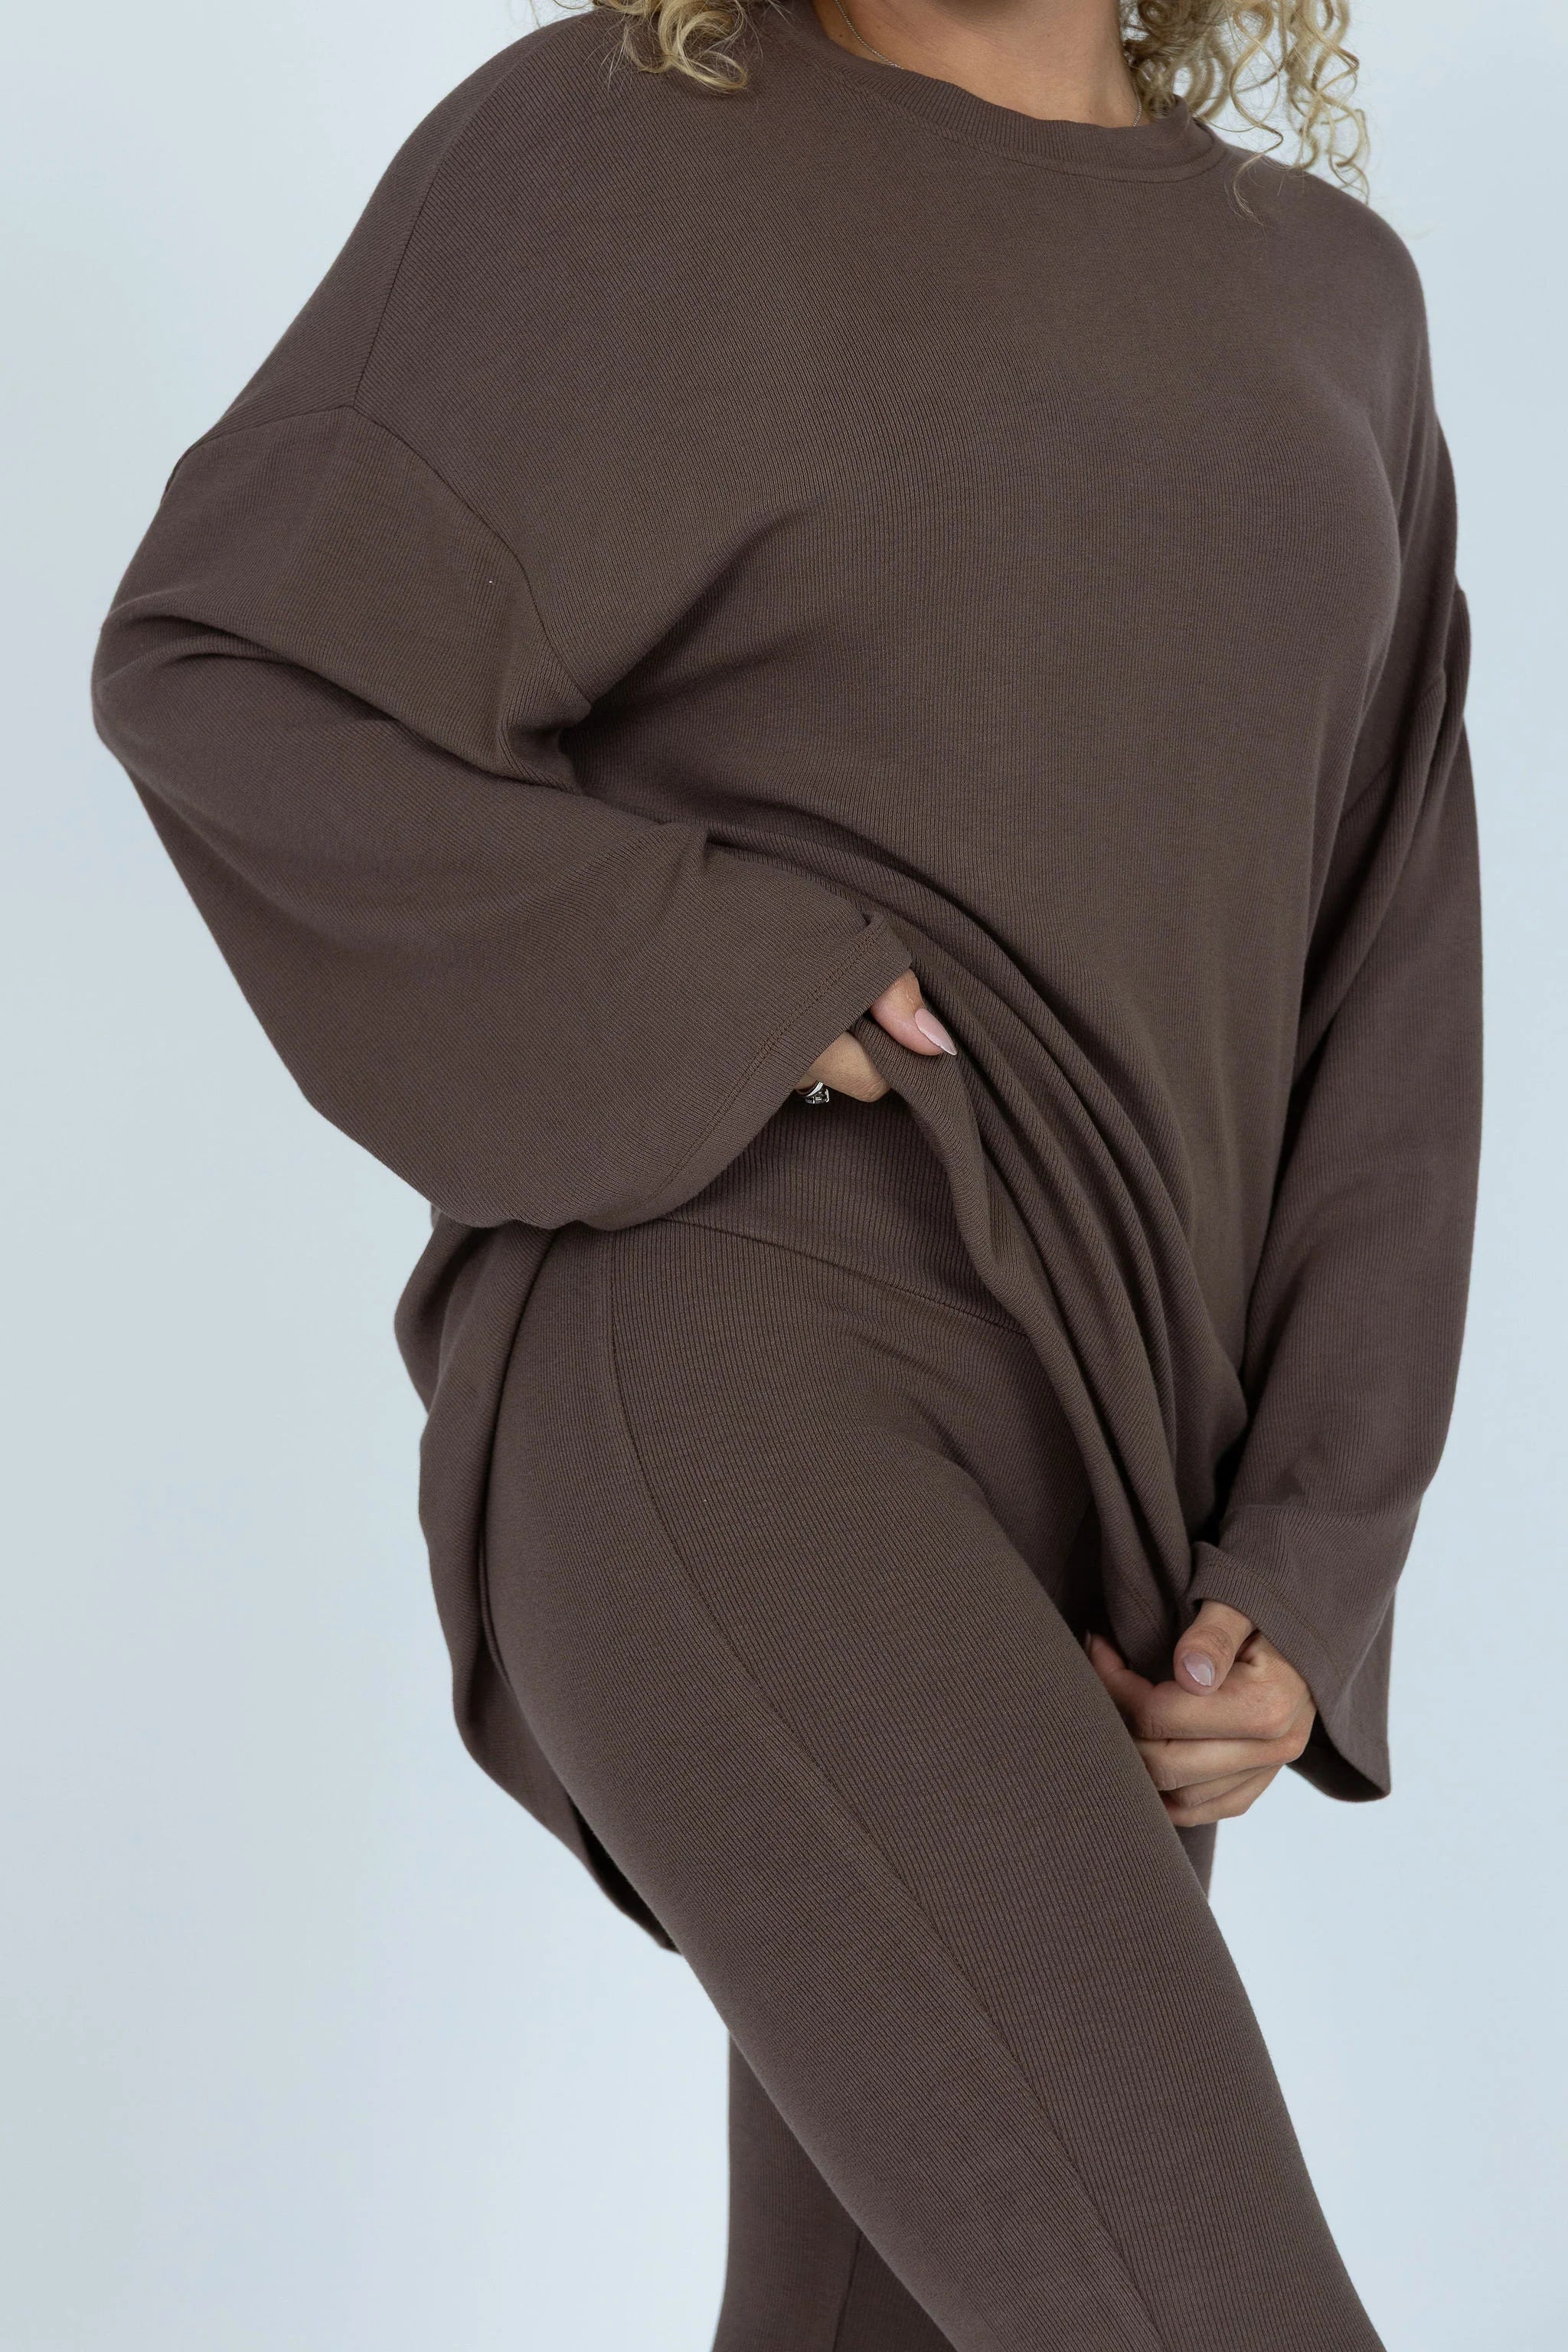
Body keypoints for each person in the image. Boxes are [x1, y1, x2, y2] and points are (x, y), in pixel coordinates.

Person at [91, 0, 1481, 2342]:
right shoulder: (624, 142)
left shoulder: (1335, 290)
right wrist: (730, 981)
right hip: (736, 1367)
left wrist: (1313, 1565)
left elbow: (1394, 957)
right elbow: (231, 662)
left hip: (1126, 1497)